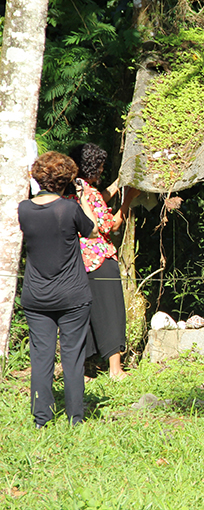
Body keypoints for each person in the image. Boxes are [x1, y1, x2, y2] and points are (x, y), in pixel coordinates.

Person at [18, 152, 99, 426]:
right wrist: (84, 200)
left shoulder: (24, 209)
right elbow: (94, 231)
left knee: (41, 357)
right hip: (72, 295)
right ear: (67, 180)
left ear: (38, 177)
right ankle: (75, 417)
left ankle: (41, 418)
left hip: (36, 295)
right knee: (73, 357)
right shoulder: (69, 208)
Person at [67, 143, 129, 380]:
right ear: (92, 168)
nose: (102, 171)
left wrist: (117, 185)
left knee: (85, 313)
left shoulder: (71, 191)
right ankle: (115, 369)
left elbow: (97, 200)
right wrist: (126, 203)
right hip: (100, 258)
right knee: (111, 310)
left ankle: (84, 369)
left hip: (78, 262)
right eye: (101, 168)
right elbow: (108, 225)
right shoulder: (90, 193)